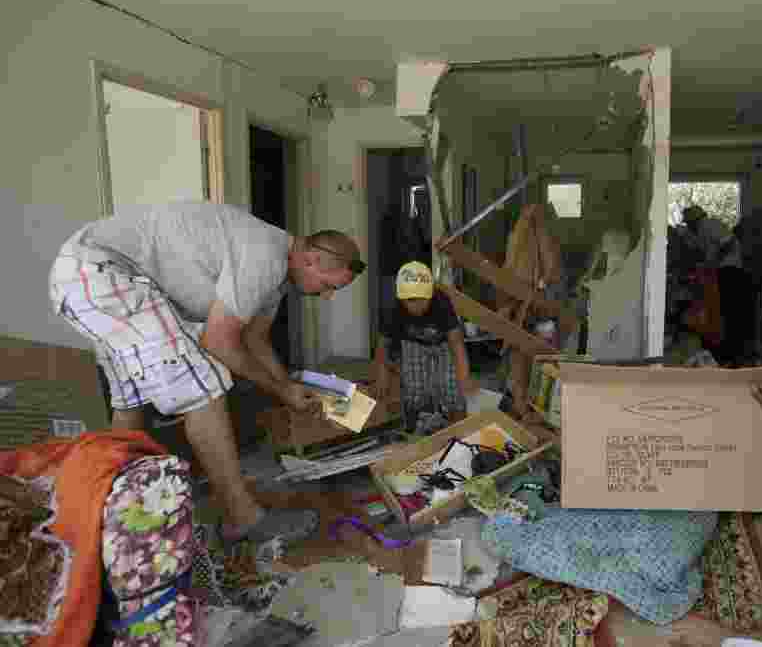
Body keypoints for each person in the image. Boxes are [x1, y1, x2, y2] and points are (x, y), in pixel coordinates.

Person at [49, 201, 365, 545]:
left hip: (84, 274)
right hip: (104, 272)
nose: (329, 295)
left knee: (132, 400)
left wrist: (286, 387)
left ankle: (109, 510)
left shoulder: (276, 277)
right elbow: (218, 341)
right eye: (330, 284)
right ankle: (244, 517)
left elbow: (254, 338)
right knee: (206, 386)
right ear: (311, 260)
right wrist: (281, 390)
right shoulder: (265, 256)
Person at [373, 261, 477, 434]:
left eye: (422, 299)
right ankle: (414, 430)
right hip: (413, 344)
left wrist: (464, 377)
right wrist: (381, 375)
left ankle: (460, 432)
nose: (416, 305)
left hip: (444, 344)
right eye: (410, 301)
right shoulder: (394, 309)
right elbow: (383, 344)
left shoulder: (442, 302)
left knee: (452, 388)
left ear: (431, 294)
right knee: (414, 390)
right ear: (401, 298)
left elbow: (456, 343)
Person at [682, 205, 752, 365]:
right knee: (721, 313)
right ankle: (723, 352)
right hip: (720, 272)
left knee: (729, 313)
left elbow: (728, 242)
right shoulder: (699, 232)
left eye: (688, 223)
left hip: (730, 271)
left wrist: (714, 260)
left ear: (695, 219)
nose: (688, 226)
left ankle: (732, 355)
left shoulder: (710, 224)